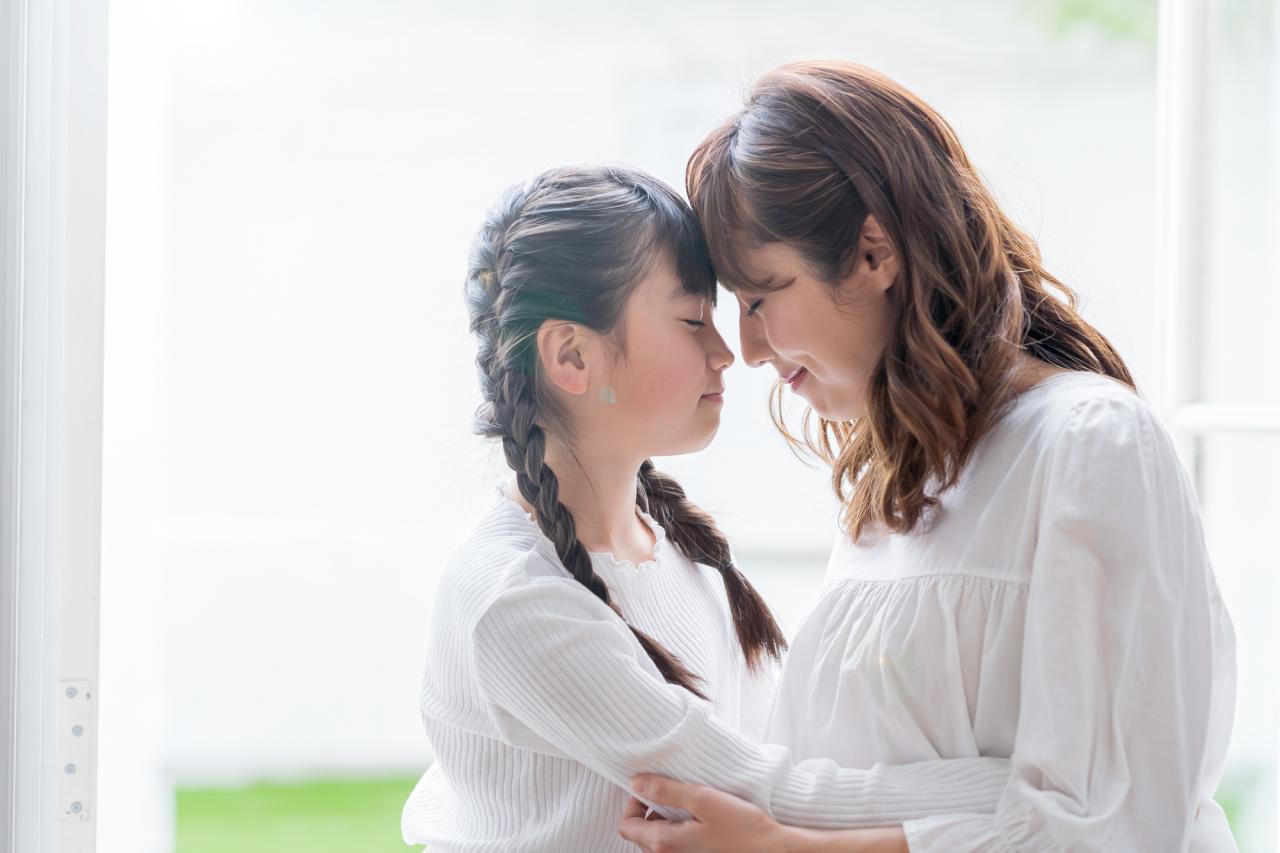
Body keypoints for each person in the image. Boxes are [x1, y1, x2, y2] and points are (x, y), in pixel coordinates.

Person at [617, 61, 1238, 853]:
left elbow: (1110, 827)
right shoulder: (892, 494)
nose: (748, 347)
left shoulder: (1091, 442)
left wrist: (784, 848)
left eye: (763, 296)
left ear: (874, 253)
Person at [400, 164, 1012, 852]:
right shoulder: (513, 600)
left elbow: (787, 756)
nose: (728, 353)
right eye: (693, 320)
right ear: (571, 355)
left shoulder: (671, 545)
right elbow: (770, 791)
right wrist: (1031, 790)